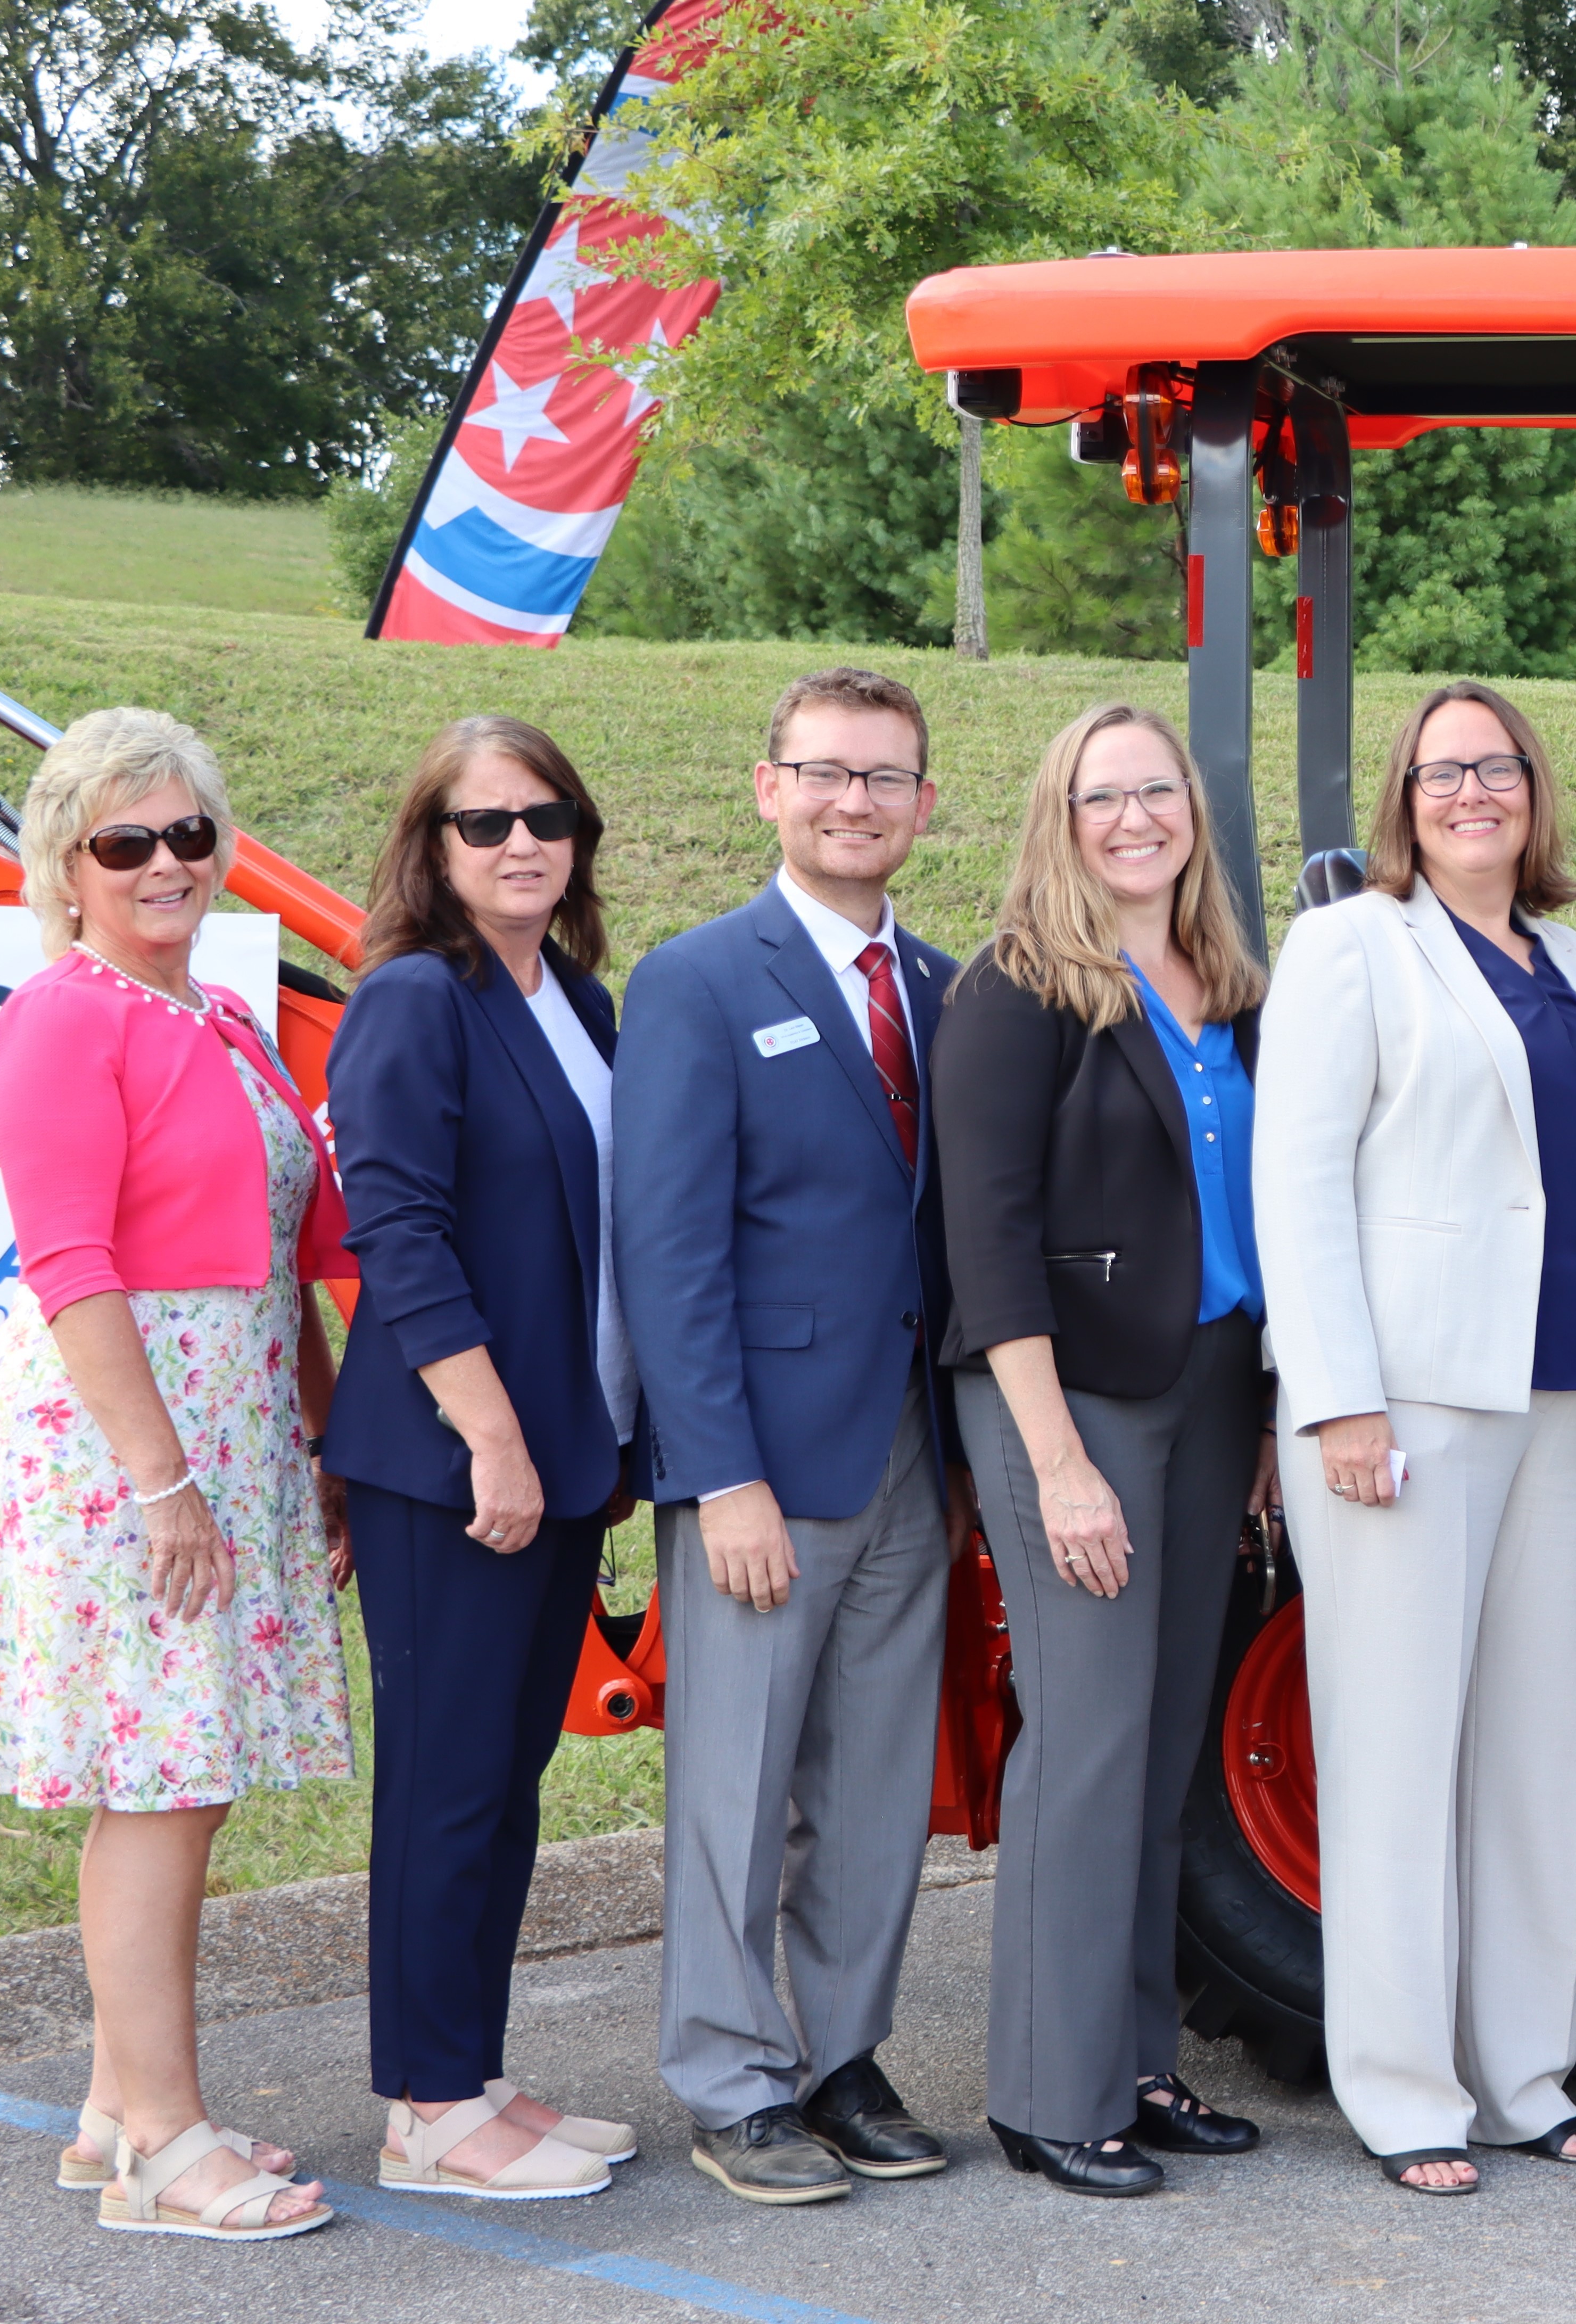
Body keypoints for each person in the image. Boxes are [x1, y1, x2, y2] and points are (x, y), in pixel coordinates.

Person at [0, 707, 354, 2241]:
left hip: (231, 1414)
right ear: (67, 864)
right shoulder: (62, 1016)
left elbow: (276, 1266)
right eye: (128, 842)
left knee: (182, 1775)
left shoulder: (220, 1019)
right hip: (128, 1430)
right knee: (162, 1781)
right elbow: (71, 1266)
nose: (166, 863)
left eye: (189, 833)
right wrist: (162, 1477)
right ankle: (168, 2149)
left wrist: (312, 1432)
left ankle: (119, 2105)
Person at [1253, 679, 1576, 2196]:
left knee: (1535, 1756)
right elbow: (1297, 1184)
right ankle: (1407, 2092)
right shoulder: (1353, 943)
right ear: (1405, 800)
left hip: (1562, 1402)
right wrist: (1336, 1396)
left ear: (1534, 792)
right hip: (1406, 1405)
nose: (1471, 794)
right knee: (1396, 1753)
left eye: (1495, 769)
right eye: (1441, 773)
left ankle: (1524, 2074)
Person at [617, 666, 972, 2206]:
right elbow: (668, 1253)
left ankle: (839, 2056)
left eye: (884, 778)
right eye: (825, 773)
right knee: (737, 1784)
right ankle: (730, 2076)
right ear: (769, 788)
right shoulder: (698, 980)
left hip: (911, 1450)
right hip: (762, 1459)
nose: (854, 802)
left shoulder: (951, 990)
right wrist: (721, 1476)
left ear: (923, 805)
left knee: (881, 1779)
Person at [933, 704, 1278, 2197]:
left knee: (1161, 1743)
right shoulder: (1020, 989)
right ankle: (1049, 2094)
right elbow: (988, 1241)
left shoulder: (1233, 983)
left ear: (1190, 810)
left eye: (1157, 792)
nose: (1134, 818)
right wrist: (1057, 1460)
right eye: (1101, 796)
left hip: (1207, 1389)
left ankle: (1137, 2067)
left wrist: (1260, 1418)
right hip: (1067, 1400)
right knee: (1083, 1746)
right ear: (1058, 818)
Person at [324, 715, 638, 2201]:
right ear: (432, 850)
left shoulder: (578, 1001)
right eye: (485, 822)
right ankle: (429, 2110)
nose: (522, 843)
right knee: (447, 1782)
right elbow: (397, 1232)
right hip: (455, 1463)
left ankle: (469, 2076)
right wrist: (494, 1440)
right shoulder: (411, 1002)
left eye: (548, 817)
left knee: (504, 1783)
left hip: (560, 1458)